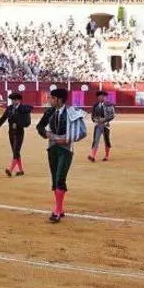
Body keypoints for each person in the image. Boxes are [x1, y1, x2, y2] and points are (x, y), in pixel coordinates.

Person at [35, 87, 86, 223]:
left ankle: (57, 210)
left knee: (60, 178)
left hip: (66, 149)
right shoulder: (50, 111)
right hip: (52, 148)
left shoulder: (71, 112)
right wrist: (48, 134)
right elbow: (39, 127)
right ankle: (60, 208)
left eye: (52, 98)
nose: (49, 100)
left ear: (59, 100)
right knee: (55, 178)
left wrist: (67, 139)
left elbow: (82, 132)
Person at [0, 92, 32, 176]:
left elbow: (27, 122)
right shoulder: (10, 108)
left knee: (16, 151)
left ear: (19, 100)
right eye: (12, 100)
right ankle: (21, 171)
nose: (13, 101)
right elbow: (4, 117)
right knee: (15, 151)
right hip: (11, 132)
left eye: (14, 100)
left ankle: (10, 170)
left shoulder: (24, 109)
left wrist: (18, 124)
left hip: (19, 132)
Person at [88, 90, 115, 162]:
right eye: (100, 96)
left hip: (106, 125)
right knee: (95, 140)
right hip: (98, 125)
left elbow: (112, 115)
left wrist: (104, 120)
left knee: (106, 140)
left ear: (105, 97)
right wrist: (96, 120)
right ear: (98, 97)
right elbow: (92, 115)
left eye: (103, 96)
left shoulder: (109, 105)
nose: (102, 97)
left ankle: (106, 156)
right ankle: (93, 156)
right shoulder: (95, 105)